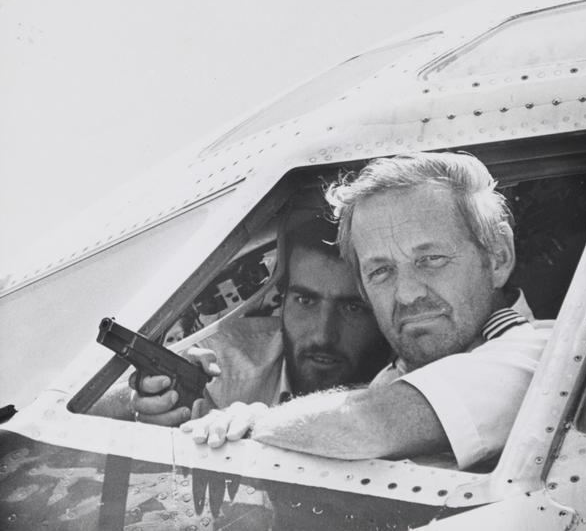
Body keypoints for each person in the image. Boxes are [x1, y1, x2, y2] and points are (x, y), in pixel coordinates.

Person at [181, 153, 549, 470]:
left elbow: (365, 424)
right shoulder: (397, 374)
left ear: (498, 258)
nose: (405, 295)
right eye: (381, 271)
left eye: (431, 260)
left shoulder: (540, 355)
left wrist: (255, 422)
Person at [90, 217, 391, 426]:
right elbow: (82, 410)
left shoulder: (414, 374)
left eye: (352, 308)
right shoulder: (226, 361)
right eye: (305, 301)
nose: (324, 334)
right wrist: (140, 399)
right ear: (282, 300)